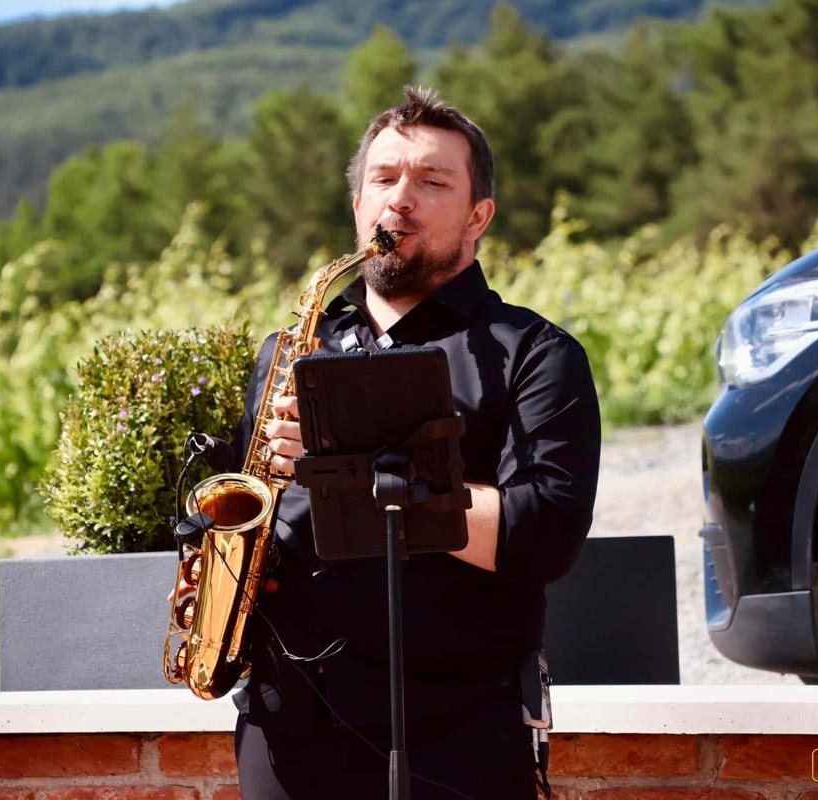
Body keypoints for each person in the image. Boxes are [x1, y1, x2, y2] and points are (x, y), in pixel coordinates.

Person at [229, 86, 601, 800]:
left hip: (454, 730)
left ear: (478, 216)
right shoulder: (289, 351)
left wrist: (355, 467)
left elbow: (544, 538)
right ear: (358, 206)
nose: (401, 198)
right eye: (384, 178)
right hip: (286, 727)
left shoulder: (534, 354)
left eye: (432, 182)